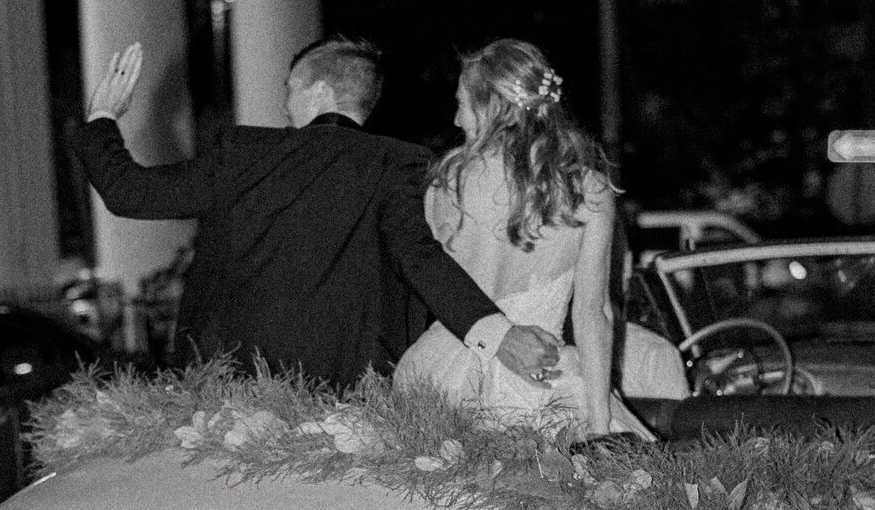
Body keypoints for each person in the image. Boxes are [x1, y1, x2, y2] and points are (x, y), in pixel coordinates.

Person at [69, 37, 563, 393]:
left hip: (225, 389)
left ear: (320, 92)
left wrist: (102, 118)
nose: (285, 104)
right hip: (347, 397)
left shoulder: (243, 154)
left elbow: (129, 193)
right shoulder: (398, 163)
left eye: (290, 89)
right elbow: (420, 260)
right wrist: (499, 335)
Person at [395, 38, 642, 436]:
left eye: (461, 104)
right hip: (541, 383)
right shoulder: (588, 191)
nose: (457, 121)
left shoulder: (446, 185)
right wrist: (599, 425)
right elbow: (593, 314)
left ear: (493, 107)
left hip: (437, 377)